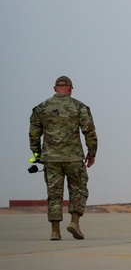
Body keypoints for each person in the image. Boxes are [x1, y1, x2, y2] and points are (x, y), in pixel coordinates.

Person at [29, 76, 98, 240]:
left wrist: (38, 155)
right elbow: (89, 132)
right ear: (70, 89)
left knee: (54, 194)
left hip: (51, 159)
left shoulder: (41, 108)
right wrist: (92, 154)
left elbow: (33, 135)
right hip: (73, 159)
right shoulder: (79, 107)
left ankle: (55, 231)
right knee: (79, 190)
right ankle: (74, 221)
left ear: (55, 89)